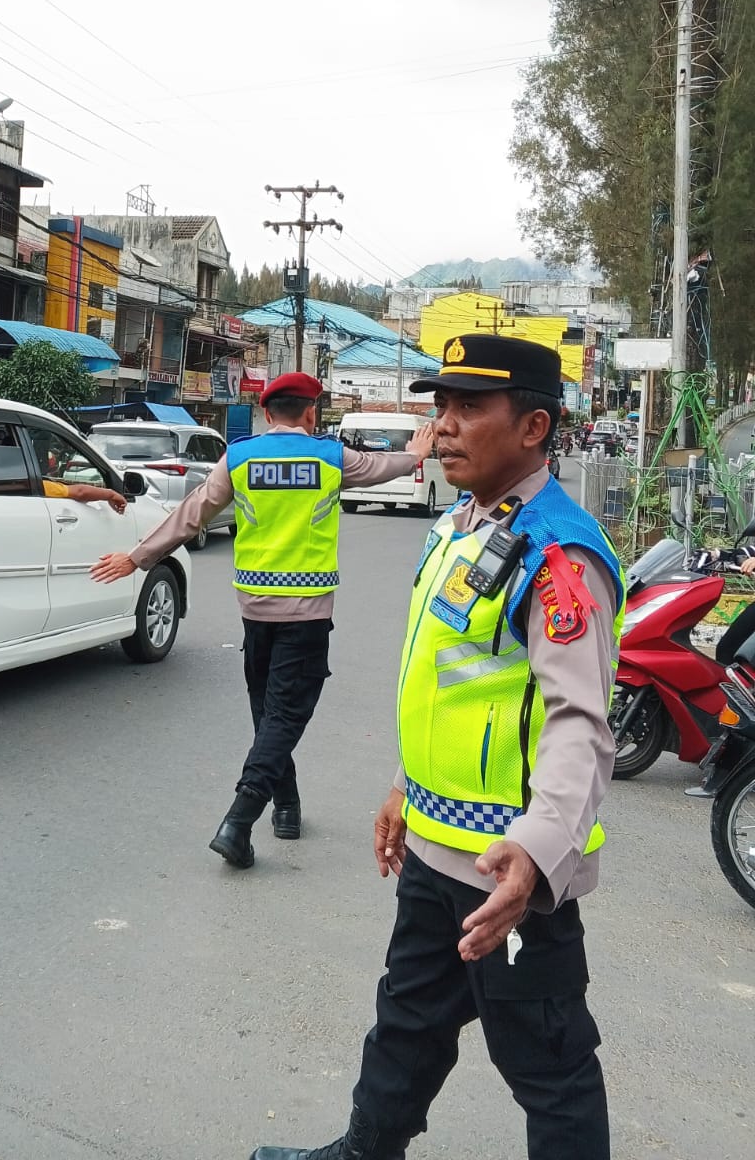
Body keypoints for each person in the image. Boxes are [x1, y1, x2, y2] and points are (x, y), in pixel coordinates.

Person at [251, 335, 624, 1160]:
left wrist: (536, 855)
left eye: (469, 408)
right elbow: (446, 682)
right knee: (406, 1022)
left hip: (508, 872)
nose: (444, 426)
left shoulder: (558, 553)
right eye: (441, 406)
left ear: (533, 427)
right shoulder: (460, 526)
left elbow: (580, 723)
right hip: (432, 847)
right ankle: (364, 1151)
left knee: (551, 1068)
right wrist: (403, 786)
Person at [90, 371, 433, 868]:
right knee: (286, 715)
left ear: (267, 413)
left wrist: (136, 557)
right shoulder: (330, 457)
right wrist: (416, 455)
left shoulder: (240, 457)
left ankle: (286, 806)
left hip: (254, 608)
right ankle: (240, 819)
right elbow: (382, 468)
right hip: (308, 610)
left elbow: (192, 513)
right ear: (311, 413)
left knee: (268, 711)